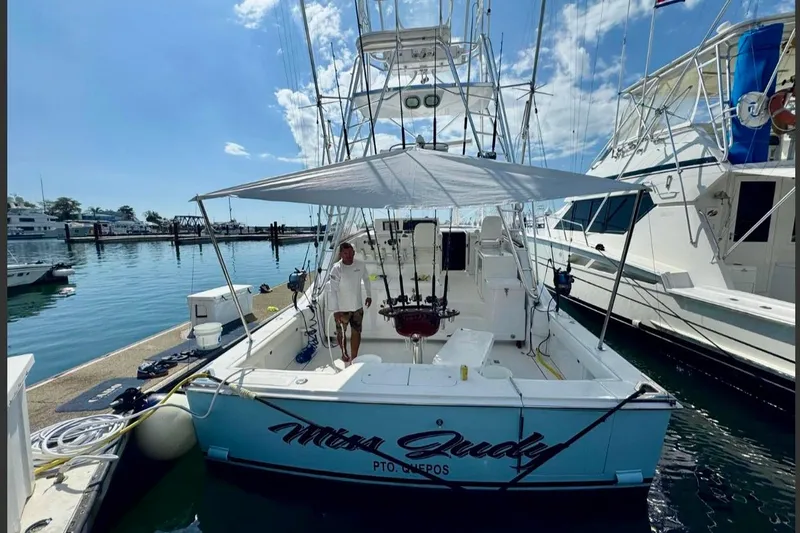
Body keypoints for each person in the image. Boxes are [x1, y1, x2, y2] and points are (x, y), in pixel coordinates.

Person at [328, 242, 372, 363]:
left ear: (354, 253)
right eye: (345, 253)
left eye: (351, 253)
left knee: (356, 332)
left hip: (357, 307)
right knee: (341, 333)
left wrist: (369, 295)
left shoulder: (360, 265)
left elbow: (366, 279)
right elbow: (333, 291)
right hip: (342, 309)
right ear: (341, 254)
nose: (349, 256)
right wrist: (336, 310)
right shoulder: (336, 269)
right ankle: (344, 352)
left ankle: (354, 356)